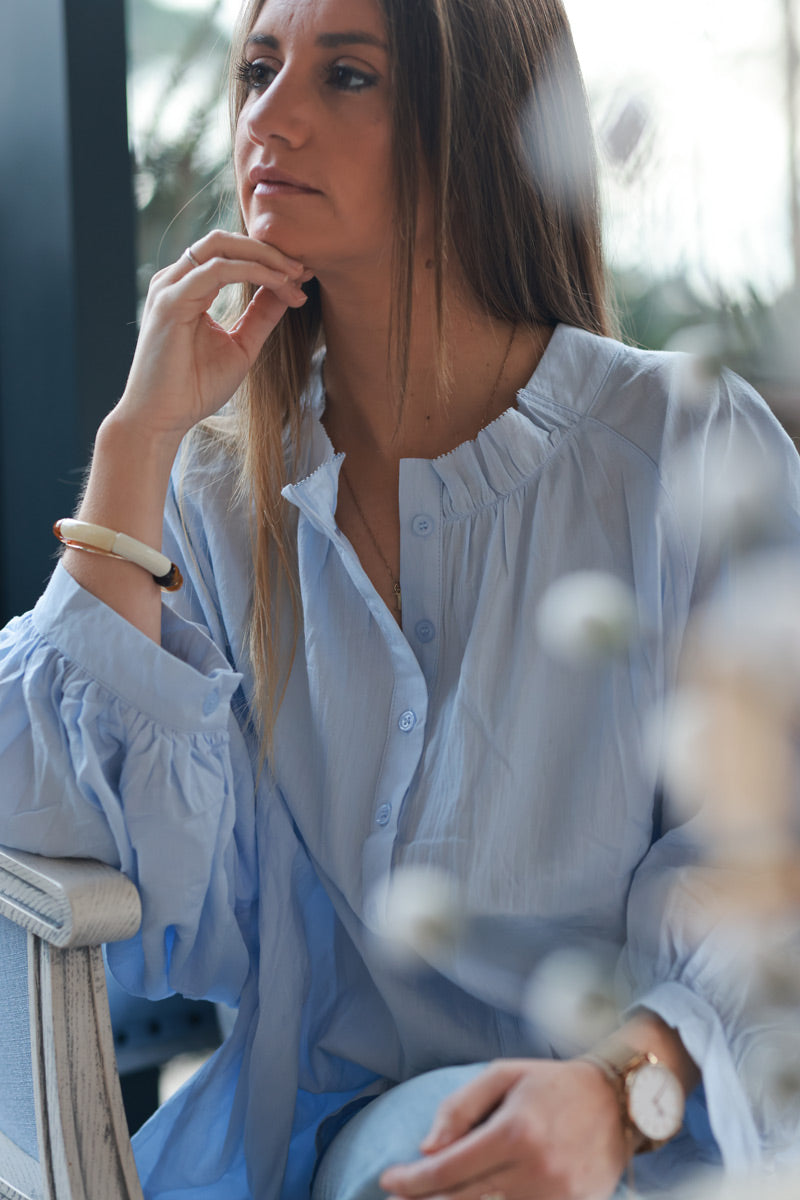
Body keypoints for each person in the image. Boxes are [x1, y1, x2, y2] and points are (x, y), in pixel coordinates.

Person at [1, 0, 799, 1197]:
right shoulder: (216, 493)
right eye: (259, 69)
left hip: (662, 1139)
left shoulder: (674, 444)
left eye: (349, 76)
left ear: (470, 123)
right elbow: (84, 866)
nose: (268, 114)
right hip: (340, 1152)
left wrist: (615, 1096)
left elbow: (767, 875)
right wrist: (136, 441)